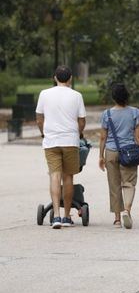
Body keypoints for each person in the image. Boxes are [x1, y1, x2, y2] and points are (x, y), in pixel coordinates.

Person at [35, 65, 86, 229]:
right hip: (70, 140)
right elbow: (82, 120)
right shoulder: (77, 96)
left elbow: (39, 118)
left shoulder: (44, 94)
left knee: (54, 176)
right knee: (68, 177)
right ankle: (66, 217)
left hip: (51, 141)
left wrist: (44, 133)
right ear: (70, 78)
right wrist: (78, 134)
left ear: (55, 78)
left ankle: (56, 215)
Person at [98, 83, 139, 229]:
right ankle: (127, 210)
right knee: (129, 183)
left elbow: (102, 137)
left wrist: (101, 155)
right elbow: (138, 137)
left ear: (113, 97)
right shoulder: (135, 113)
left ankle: (117, 219)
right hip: (129, 152)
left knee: (114, 185)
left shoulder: (107, 114)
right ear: (127, 96)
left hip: (111, 152)